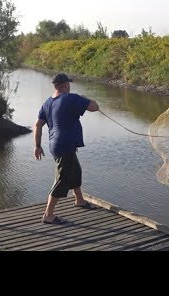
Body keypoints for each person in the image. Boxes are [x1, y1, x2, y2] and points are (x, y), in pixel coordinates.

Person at [34, 73, 99, 224]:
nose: (70, 86)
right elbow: (95, 107)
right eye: (68, 84)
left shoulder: (47, 103)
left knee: (75, 171)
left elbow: (37, 125)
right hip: (64, 145)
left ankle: (79, 200)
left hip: (57, 145)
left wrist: (37, 146)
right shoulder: (70, 98)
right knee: (62, 179)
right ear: (64, 85)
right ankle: (48, 215)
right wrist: (84, 98)